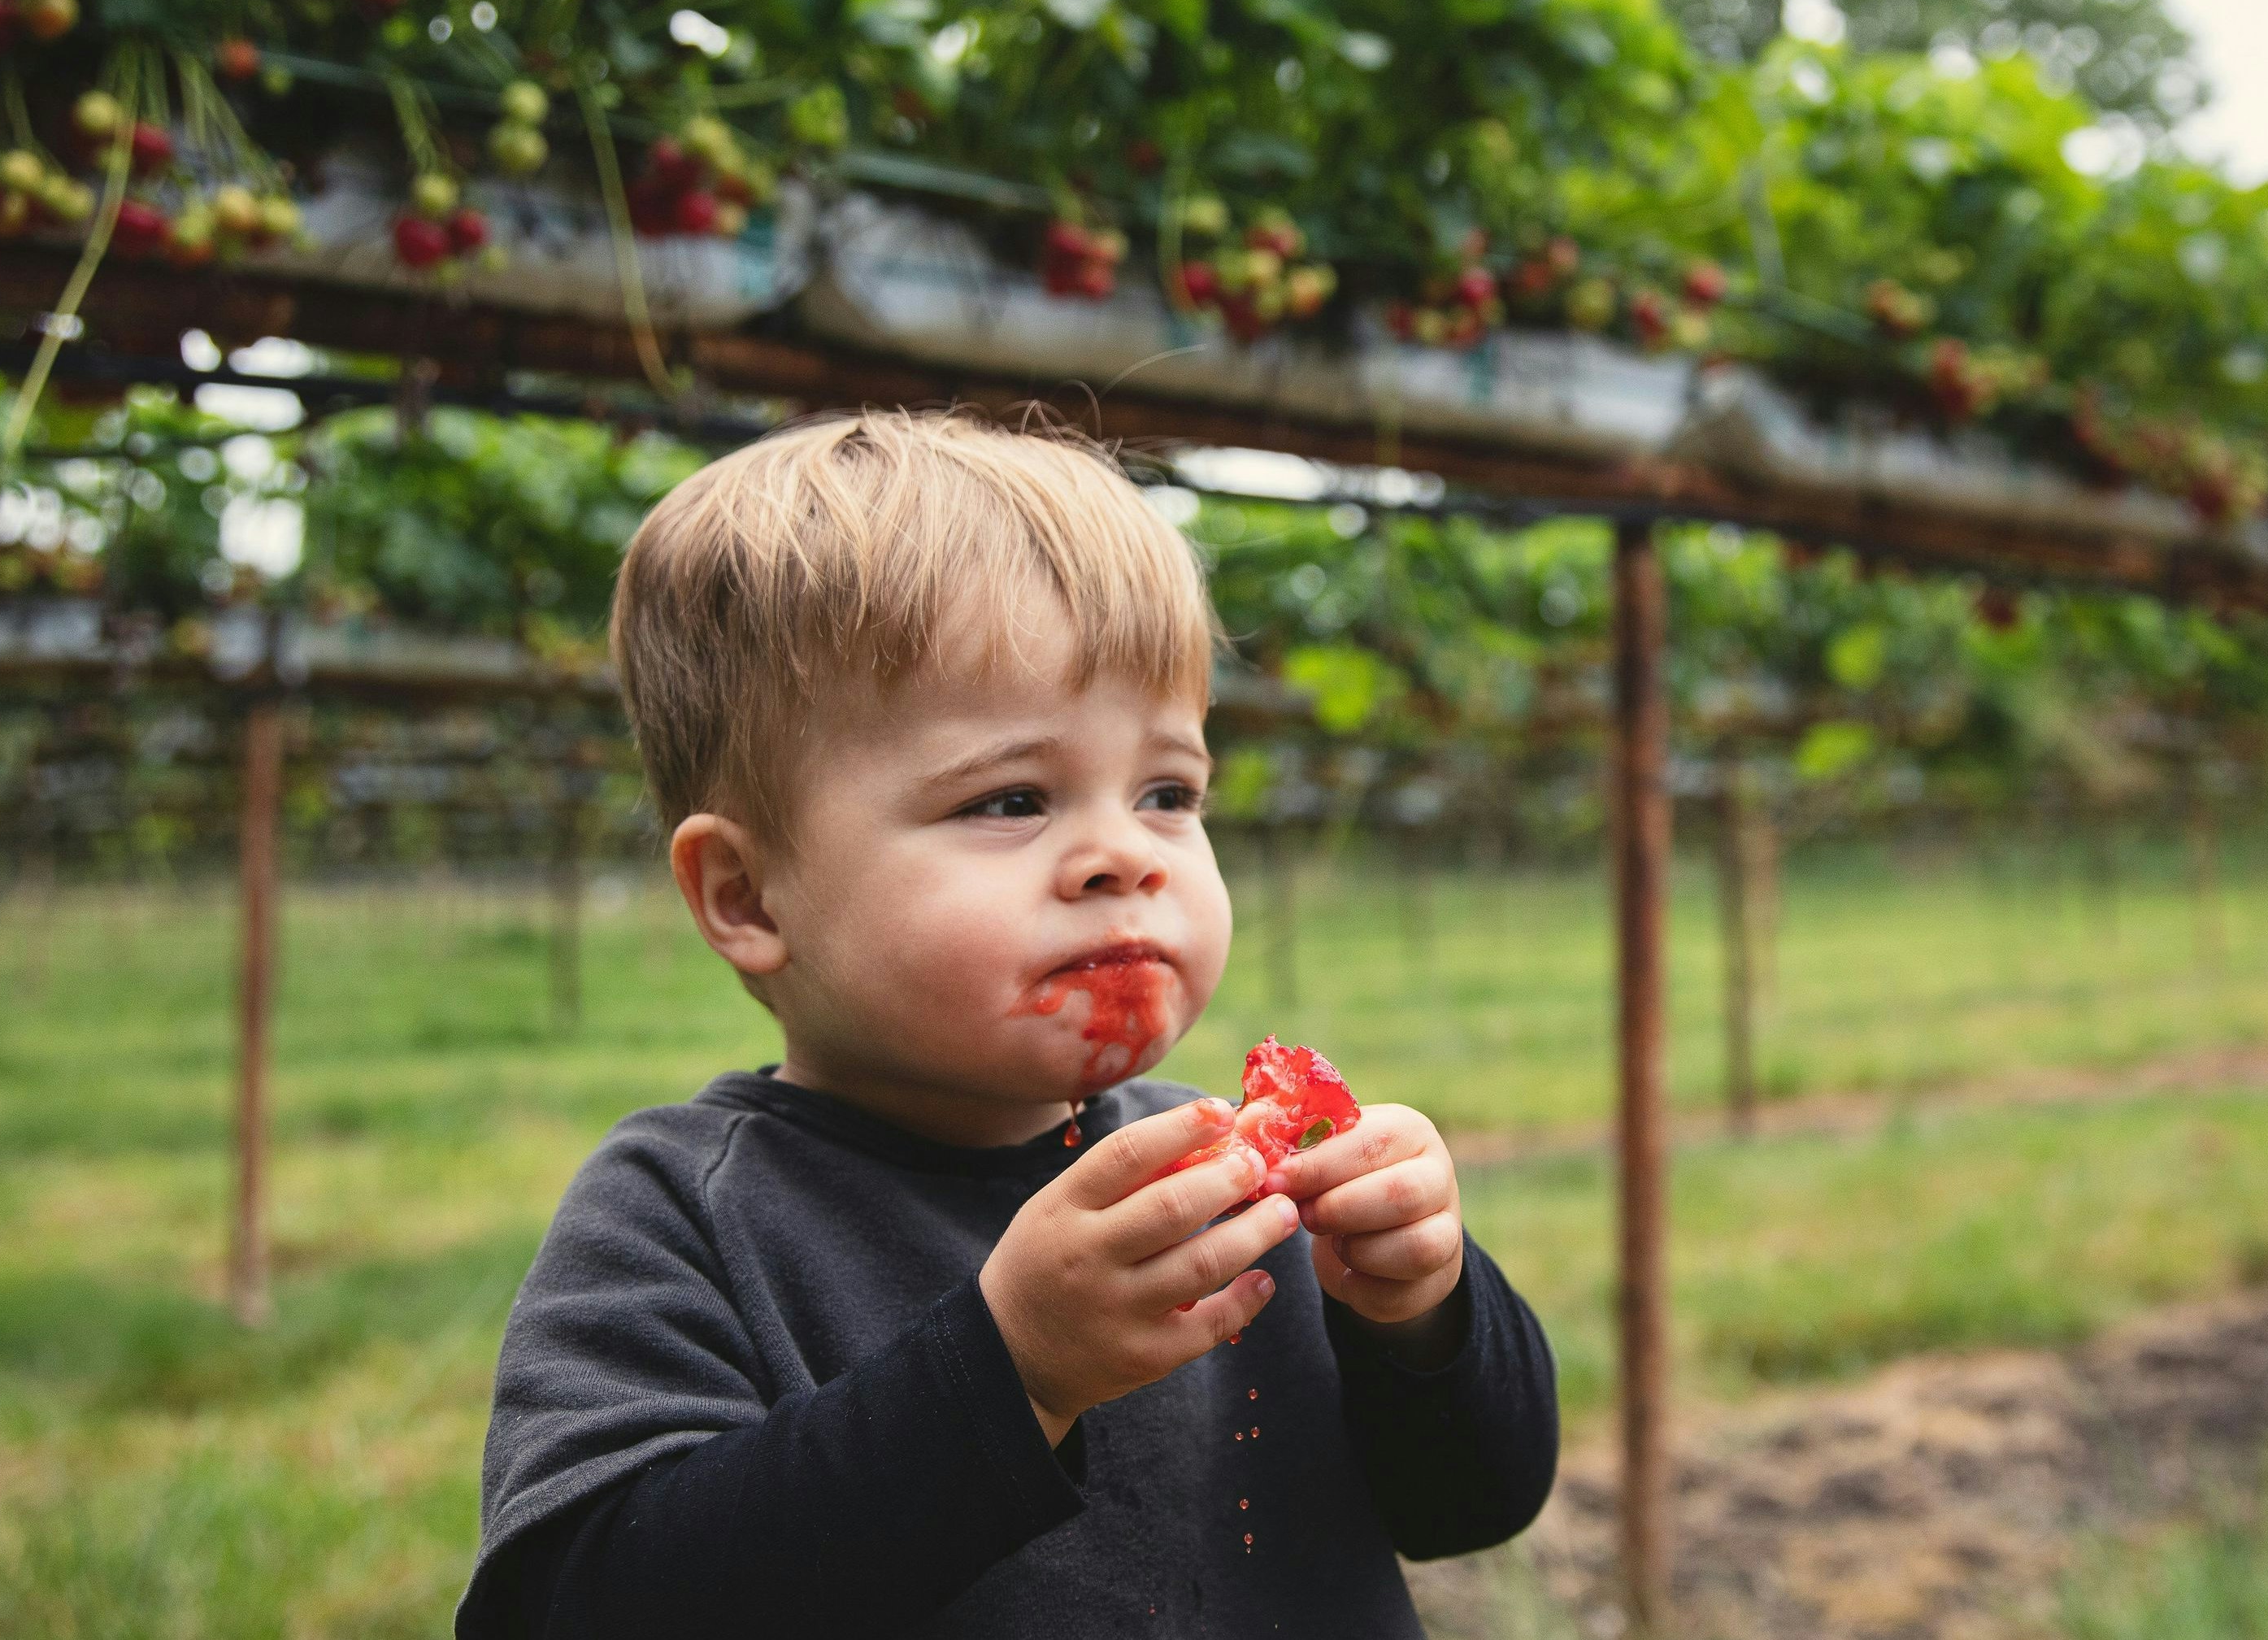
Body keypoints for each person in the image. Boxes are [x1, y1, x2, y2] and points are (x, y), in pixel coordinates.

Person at [458, 412, 1559, 1638]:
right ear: (748, 895)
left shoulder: (1239, 1179)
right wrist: (1011, 1370)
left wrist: (1424, 1312)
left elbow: (1474, 1501)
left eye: (1167, 791)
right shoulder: (688, 1217)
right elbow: (578, 1602)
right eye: (1012, 798)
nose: (1120, 854)